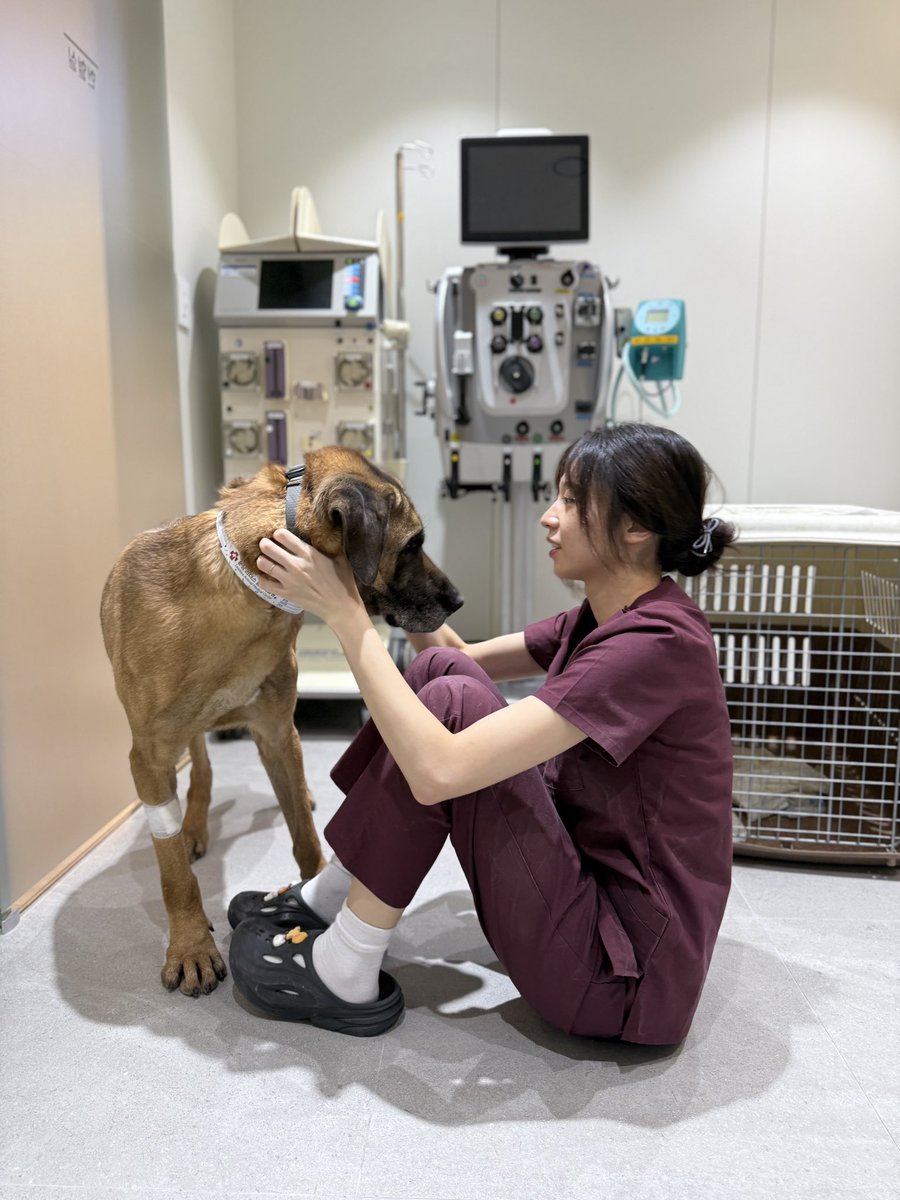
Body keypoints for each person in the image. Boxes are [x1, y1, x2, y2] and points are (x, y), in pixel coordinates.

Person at [227, 422, 737, 1044]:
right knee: (445, 673)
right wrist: (378, 562)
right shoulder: (609, 616)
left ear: (635, 528)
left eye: (573, 502)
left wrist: (344, 615)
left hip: (618, 981)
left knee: (455, 707)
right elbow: (452, 650)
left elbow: (442, 769)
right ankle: (329, 897)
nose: (550, 518)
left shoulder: (657, 645)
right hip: (590, 902)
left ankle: (343, 969)